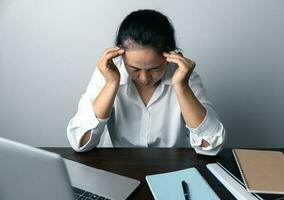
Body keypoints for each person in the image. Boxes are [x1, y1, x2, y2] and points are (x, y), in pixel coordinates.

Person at [67, 9, 225, 156]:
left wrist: (181, 87)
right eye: (134, 68)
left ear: (169, 55)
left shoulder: (185, 76)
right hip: (118, 168)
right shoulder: (108, 73)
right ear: (120, 55)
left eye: (154, 69)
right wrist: (110, 84)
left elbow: (212, 145)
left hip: (171, 168)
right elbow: (79, 143)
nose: (144, 78)